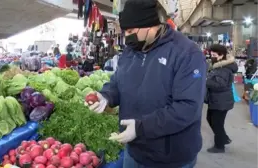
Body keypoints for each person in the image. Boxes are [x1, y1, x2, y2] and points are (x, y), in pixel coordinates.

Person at [84, 0, 206, 167]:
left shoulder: (186, 53)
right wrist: (106, 96)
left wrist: (142, 127)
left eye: (130, 31)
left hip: (171, 158)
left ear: (150, 25)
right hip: (135, 152)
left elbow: (188, 107)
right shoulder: (130, 51)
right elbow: (118, 82)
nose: (127, 37)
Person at [205, 44, 238, 153]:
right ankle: (223, 138)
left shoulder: (224, 69)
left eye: (214, 54)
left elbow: (220, 85)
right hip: (216, 100)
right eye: (211, 54)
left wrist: (205, 81)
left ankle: (219, 146)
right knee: (210, 119)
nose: (211, 56)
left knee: (217, 123)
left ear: (221, 55)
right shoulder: (217, 65)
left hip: (221, 101)